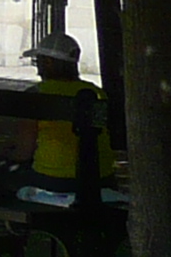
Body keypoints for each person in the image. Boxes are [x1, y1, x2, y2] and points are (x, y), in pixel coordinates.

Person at [12, 31, 113, 208]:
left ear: (49, 62)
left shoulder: (35, 96)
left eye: (39, 61)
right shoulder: (97, 93)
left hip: (54, 180)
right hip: (102, 179)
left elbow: (24, 151)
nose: (37, 67)